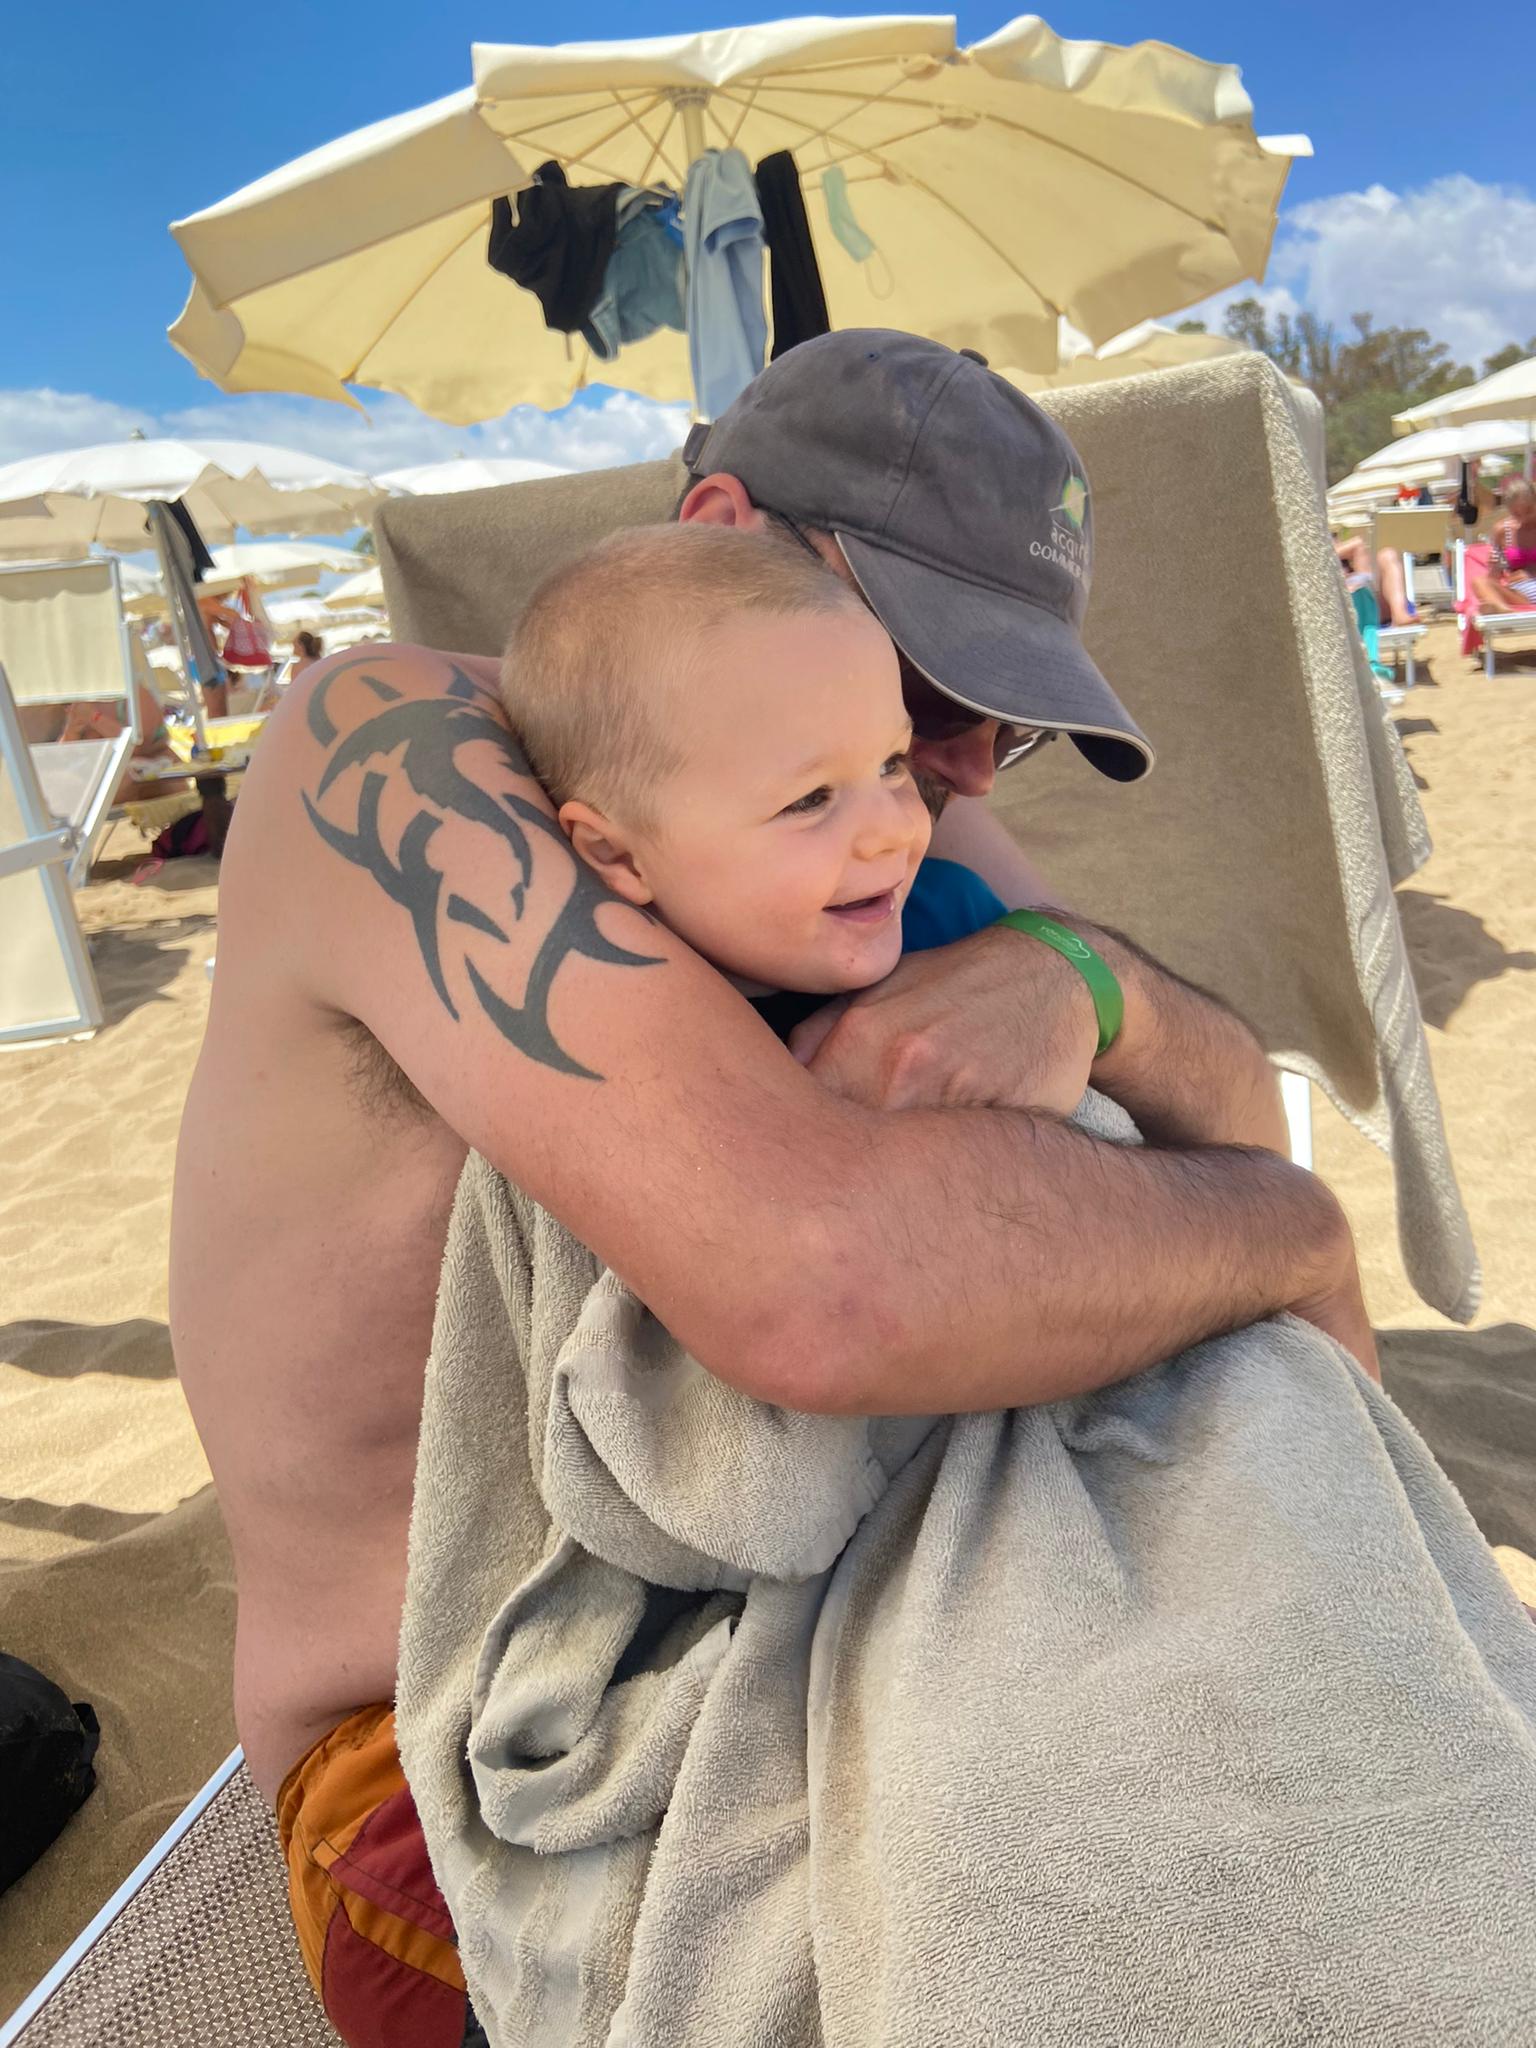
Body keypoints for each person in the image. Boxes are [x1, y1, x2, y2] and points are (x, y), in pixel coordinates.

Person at [170, 331, 1370, 2048]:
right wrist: (1295, 1237)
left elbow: (1229, 1113)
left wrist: (1087, 986)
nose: (961, 768)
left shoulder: (876, 794)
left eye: (1008, 716)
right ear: (727, 526)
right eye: (938, 676)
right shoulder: (394, 746)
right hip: (464, 1766)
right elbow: (825, 1283)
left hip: (856, 1635)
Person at [1472, 476, 1536, 612]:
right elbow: (1494, 578)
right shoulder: (1502, 531)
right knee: (1480, 582)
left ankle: (1501, 611)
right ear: (1509, 510)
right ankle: (1504, 610)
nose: (1524, 518)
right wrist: (1495, 566)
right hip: (1521, 596)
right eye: (1517, 514)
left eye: (1529, 511)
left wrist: (1531, 574)